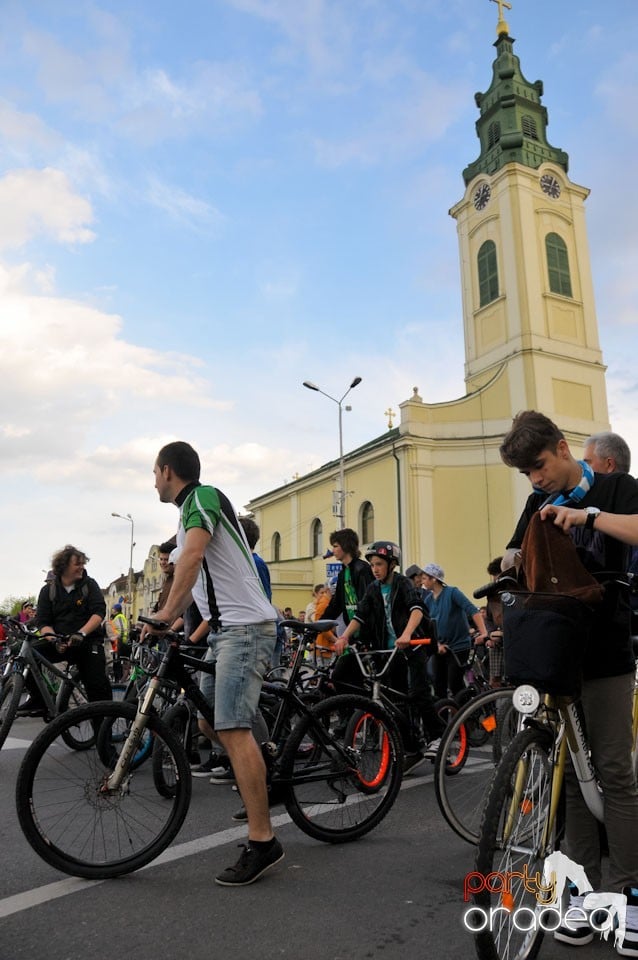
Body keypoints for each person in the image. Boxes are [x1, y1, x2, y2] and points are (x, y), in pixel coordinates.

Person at [500, 409, 638, 952]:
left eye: (538, 467)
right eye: (525, 475)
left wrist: (587, 516)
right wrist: (506, 568)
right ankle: (584, 893)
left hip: (606, 649)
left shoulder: (616, 485)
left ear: (562, 448)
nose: (535, 481)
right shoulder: (537, 503)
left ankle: (627, 894)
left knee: (612, 772)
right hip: (558, 654)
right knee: (575, 776)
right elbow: (514, 556)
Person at [151, 440, 283, 887]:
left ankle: (263, 841)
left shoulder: (202, 498)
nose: (153, 482)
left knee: (230, 728)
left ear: (168, 471)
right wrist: (167, 614)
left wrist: (167, 614)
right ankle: (265, 770)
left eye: (154, 473)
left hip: (246, 629)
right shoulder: (187, 512)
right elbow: (192, 579)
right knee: (209, 722)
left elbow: (192, 557)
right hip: (226, 633)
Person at [333, 540, 445, 769]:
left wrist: (406, 635)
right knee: (396, 702)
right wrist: (345, 637)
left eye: (379, 564)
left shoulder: (403, 583)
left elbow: (416, 609)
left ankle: (439, 736)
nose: (374, 569)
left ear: (391, 564)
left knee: (418, 693)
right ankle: (411, 747)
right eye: (372, 564)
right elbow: (360, 616)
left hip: (412, 647)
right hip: (390, 653)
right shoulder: (374, 588)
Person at [26, 545, 112, 714]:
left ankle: (103, 733)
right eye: (77, 564)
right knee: (28, 652)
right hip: (60, 642)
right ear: (63, 566)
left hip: (87, 642)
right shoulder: (48, 591)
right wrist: (54, 640)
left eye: (83, 563)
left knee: (97, 688)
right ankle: (39, 699)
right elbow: (43, 622)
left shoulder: (89, 585)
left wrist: (81, 633)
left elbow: (98, 613)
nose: (82, 567)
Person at [421, 563, 487, 699]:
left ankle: (466, 715)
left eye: (425, 578)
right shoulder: (428, 600)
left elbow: (473, 610)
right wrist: (437, 644)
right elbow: (426, 625)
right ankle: (444, 718)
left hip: (458, 646)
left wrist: (484, 632)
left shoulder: (452, 593)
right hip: (440, 648)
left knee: (454, 683)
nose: (422, 581)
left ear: (434, 579)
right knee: (439, 685)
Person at [322, 528, 374, 636]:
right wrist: (319, 624)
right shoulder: (343, 573)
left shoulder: (362, 569)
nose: (333, 550)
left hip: (367, 632)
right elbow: (336, 604)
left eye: (336, 546)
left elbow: (367, 603)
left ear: (346, 546)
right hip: (351, 632)